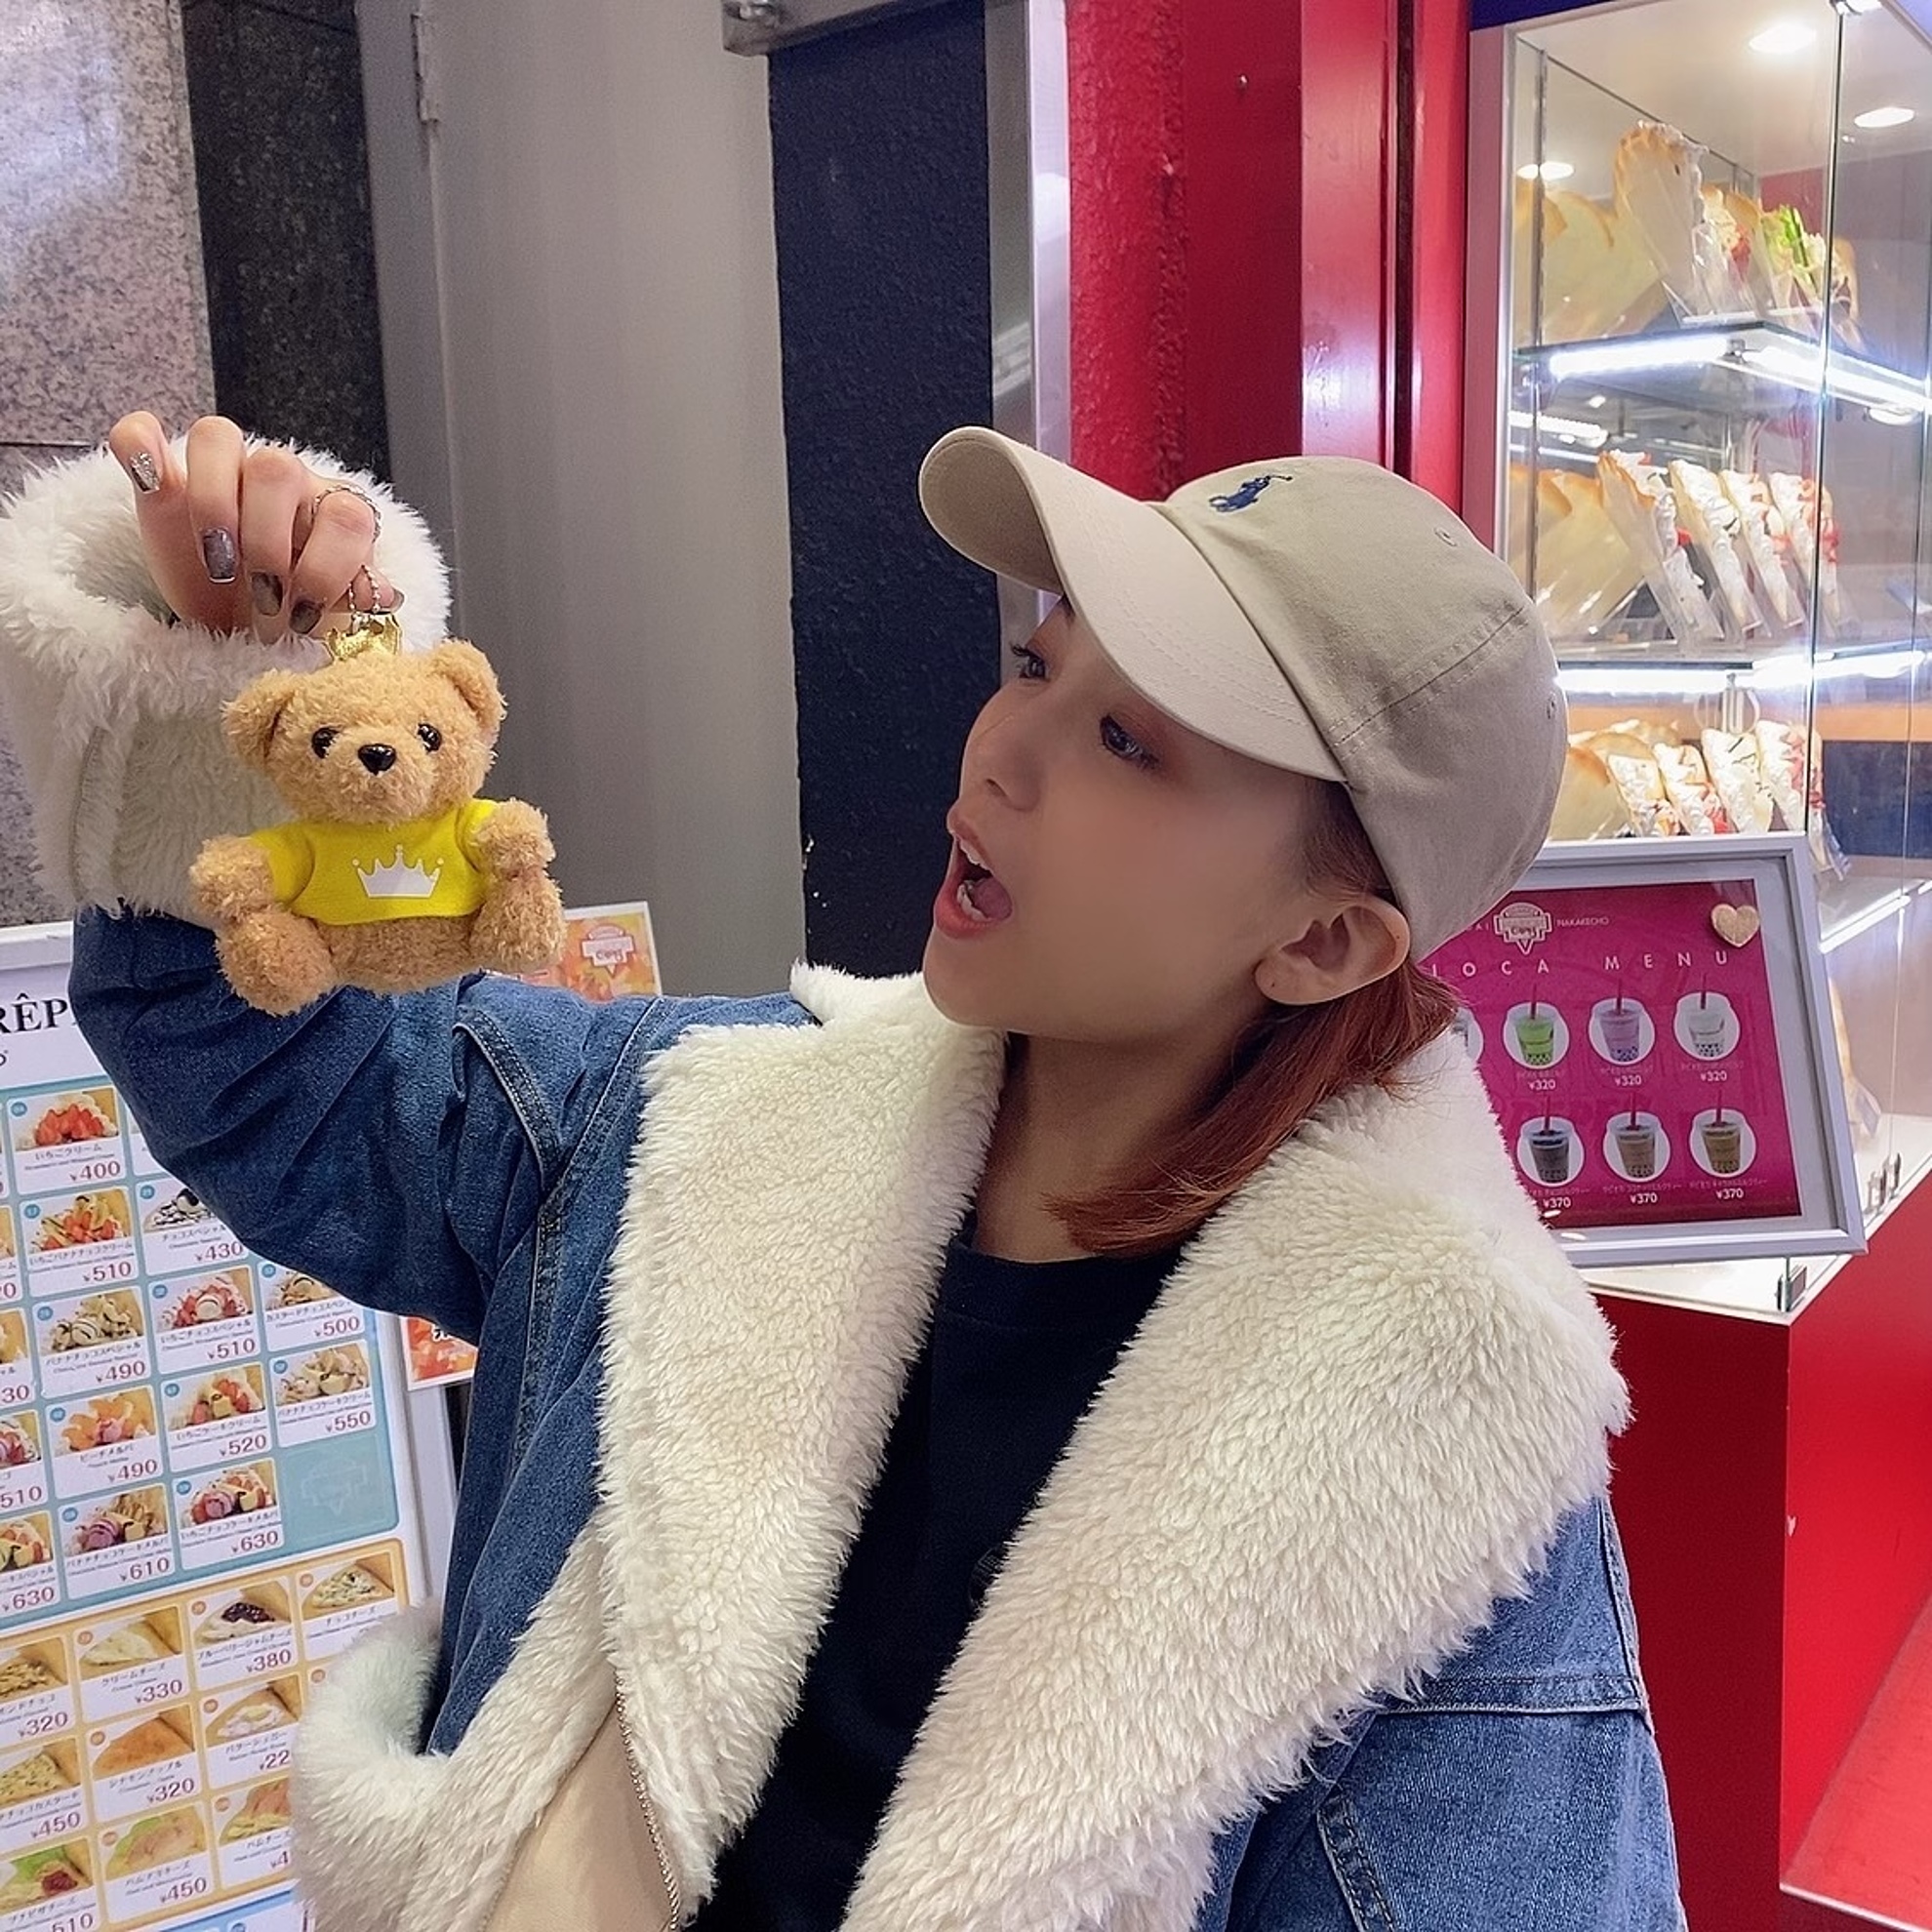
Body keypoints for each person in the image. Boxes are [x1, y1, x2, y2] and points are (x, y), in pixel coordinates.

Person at [0, 414, 1684, 1932]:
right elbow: (266, 1074)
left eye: (1128, 742)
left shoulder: (1442, 1469)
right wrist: (230, 680)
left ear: (1323, 940)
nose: (1001, 754)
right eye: (1037, 666)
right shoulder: (686, 1118)